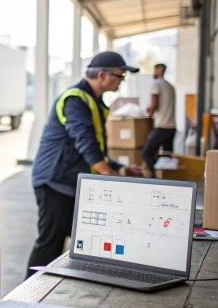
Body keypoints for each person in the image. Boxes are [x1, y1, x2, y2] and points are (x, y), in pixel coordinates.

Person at [26, 51, 143, 278]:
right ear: (102, 75)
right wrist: (108, 175)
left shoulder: (93, 101)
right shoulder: (75, 99)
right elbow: (85, 142)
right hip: (54, 181)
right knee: (50, 241)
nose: (122, 80)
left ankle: (59, 290)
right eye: (120, 76)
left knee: (84, 237)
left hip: (70, 180)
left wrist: (118, 168)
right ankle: (24, 299)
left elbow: (93, 150)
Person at [142, 64, 176, 174]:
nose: (154, 72)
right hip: (172, 127)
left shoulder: (156, 84)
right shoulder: (170, 86)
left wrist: (148, 116)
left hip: (162, 126)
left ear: (159, 70)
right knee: (166, 157)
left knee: (146, 153)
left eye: (155, 69)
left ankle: (154, 178)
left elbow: (154, 105)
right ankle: (166, 179)